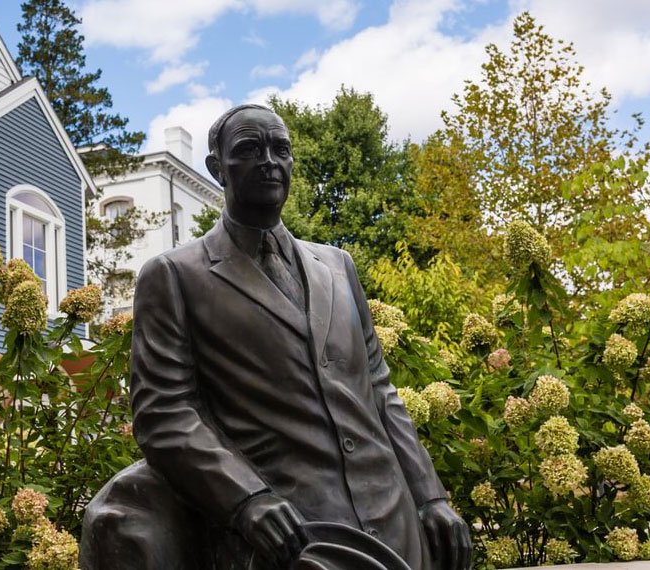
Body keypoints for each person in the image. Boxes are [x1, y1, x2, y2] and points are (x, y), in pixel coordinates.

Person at [85, 104, 472, 570]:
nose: (269, 160)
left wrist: (431, 497)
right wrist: (246, 499)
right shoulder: (174, 276)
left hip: (397, 522)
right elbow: (165, 413)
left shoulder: (337, 266)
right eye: (249, 149)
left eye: (280, 149)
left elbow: (381, 393)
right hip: (292, 534)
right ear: (218, 168)